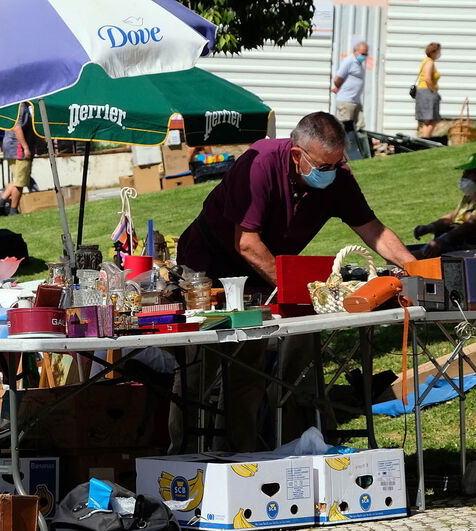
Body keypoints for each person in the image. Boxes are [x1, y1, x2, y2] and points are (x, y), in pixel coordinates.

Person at [172, 112, 415, 453]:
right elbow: (247, 243)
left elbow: (373, 230)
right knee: (201, 367)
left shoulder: (337, 177)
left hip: (261, 271)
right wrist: (298, 291)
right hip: (207, 266)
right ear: (296, 155)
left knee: (249, 367)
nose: (330, 172)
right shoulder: (261, 163)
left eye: (337, 163)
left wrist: (416, 268)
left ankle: (244, 455)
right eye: (322, 165)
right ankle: (180, 454)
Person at [413, 153, 476, 257]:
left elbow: (469, 225)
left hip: (468, 248)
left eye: (469, 173)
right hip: (455, 241)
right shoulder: (468, 197)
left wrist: (443, 239)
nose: (464, 177)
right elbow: (452, 217)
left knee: (416, 257)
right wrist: (430, 227)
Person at [0, 103, 37, 215]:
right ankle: (13, 210)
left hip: (12, 146)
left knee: (18, 178)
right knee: (20, 182)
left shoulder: (17, 105)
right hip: (18, 148)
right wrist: (25, 147)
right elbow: (17, 127)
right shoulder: (20, 107)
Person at [332, 41, 369, 131]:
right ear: (355, 51)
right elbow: (337, 79)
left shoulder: (359, 64)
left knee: (360, 126)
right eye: (362, 53)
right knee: (345, 128)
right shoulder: (349, 61)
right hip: (346, 101)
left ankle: (358, 144)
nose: (364, 56)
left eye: (366, 54)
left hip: (355, 101)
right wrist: (339, 88)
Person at [415, 42, 442, 138]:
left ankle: (425, 140)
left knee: (428, 121)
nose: (439, 54)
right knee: (431, 119)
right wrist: (434, 91)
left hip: (424, 92)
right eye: (439, 51)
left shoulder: (427, 61)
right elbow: (427, 78)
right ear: (433, 52)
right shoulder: (429, 62)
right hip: (427, 92)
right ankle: (426, 140)